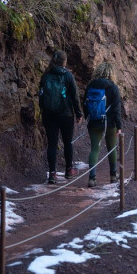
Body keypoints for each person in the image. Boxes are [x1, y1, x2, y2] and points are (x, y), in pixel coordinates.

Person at [38, 50, 83, 184]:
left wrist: (43, 110)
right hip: (66, 114)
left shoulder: (45, 76)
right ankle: (68, 171)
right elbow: (75, 97)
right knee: (67, 142)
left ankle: (52, 174)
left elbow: (41, 96)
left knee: (52, 144)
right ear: (64, 62)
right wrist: (79, 113)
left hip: (49, 115)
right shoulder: (68, 76)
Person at [83, 61, 123, 188]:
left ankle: (92, 178)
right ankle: (113, 175)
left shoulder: (91, 85)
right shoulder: (113, 88)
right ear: (111, 73)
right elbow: (117, 109)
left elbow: (85, 103)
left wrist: (87, 118)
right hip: (109, 123)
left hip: (94, 121)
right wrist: (119, 126)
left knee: (95, 148)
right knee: (112, 148)